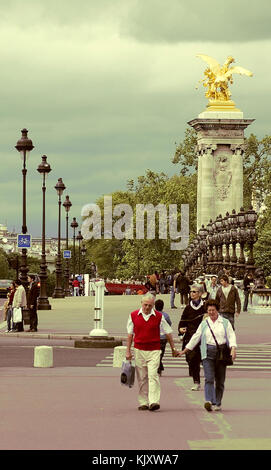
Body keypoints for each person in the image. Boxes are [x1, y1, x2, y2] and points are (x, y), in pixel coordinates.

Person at [179, 299, 237, 412]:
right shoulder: (204, 323)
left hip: (221, 352)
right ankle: (209, 401)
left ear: (218, 310)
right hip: (207, 352)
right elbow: (196, 337)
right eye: (209, 310)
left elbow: (231, 336)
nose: (211, 312)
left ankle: (217, 402)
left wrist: (233, 349)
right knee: (209, 378)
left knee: (220, 381)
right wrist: (185, 350)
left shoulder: (225, 322)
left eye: (213, 310)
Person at [126, 293, 180, 411]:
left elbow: (168, 332)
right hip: (139, 349)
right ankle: (143, 402)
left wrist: (173, 349)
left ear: (153, 305)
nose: (147, 308)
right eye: (145, 305)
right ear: (141, 303)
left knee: (153, 375)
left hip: (154, 350)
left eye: (150, 306)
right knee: (142, 377)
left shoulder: (159, 317)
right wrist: (128, 351)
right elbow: (130, 335)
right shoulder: (133, 315)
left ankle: (154, 401)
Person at [178, 285, 206, 391]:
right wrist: (180, 329)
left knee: (200, 359)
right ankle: (196, 380)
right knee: (191, 359)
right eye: (191, 292)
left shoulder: (205, 306)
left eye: (194, 292)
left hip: (203, 337)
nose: (192, 293)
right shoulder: (188, 307)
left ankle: (198, 381)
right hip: (190, 336)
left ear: (200, 293)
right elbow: (182, 321)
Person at [154, 299, 172, 376]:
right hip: (163, 337)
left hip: (154, 338)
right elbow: (169, 323)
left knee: (156, 354)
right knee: (161, 354)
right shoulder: (166, 315)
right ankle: (159, 368)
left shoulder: (153, 314)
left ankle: (159, 368)